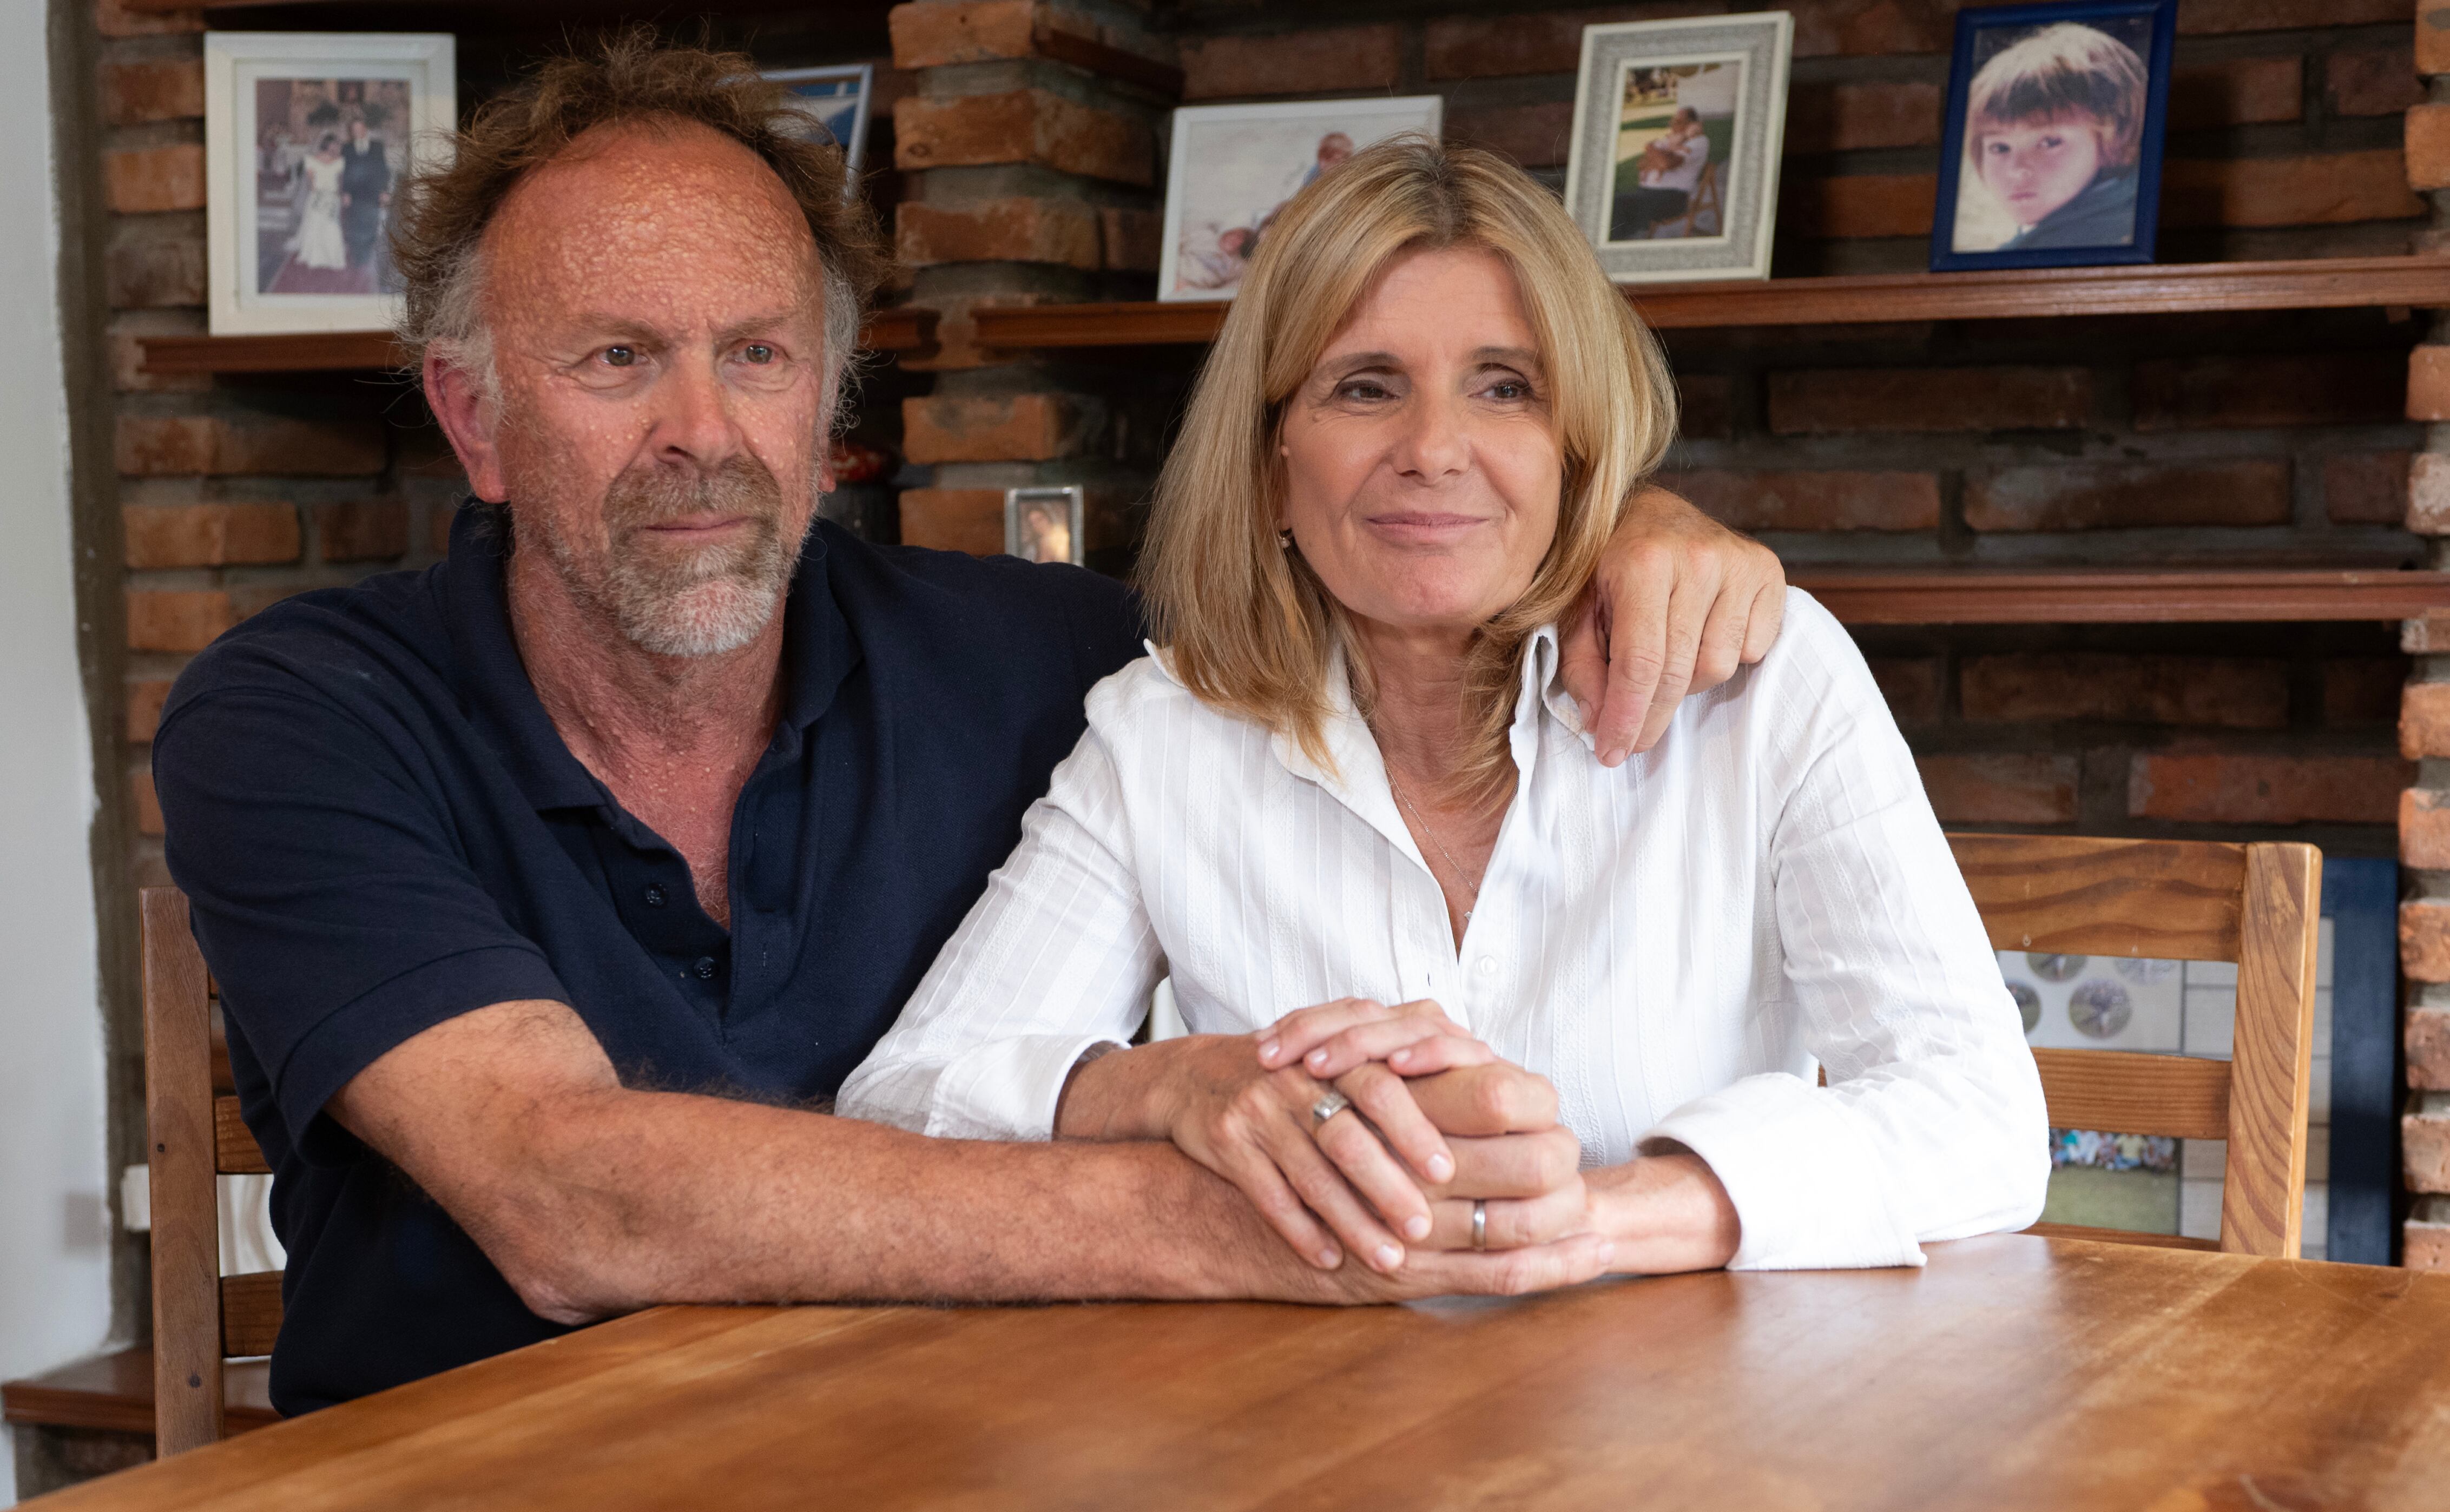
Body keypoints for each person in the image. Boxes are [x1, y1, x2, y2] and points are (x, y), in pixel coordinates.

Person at [153, 39, 1789, 1416]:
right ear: (475, 417)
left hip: (968, 1497)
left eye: (757, 356)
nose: (699, 434)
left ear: (828, 409)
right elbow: (571, 1199)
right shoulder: (301, 715)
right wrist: (1267, 1219)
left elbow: (1377, 578)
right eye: (614, 360)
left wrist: (1619, 528)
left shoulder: (1061, 663)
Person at [841, 140, 2047, 1278]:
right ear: (1270, 464)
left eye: (1504, 387)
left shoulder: (1759, 680)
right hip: (1310, 1428)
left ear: (1577, 446)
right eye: (1364, 387)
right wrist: (1168, 1084)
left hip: (1691, 1439)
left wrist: (1600, 1217)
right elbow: (905, 1098)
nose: (1432, 447)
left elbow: (1979, 1117)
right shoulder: (1164, 731)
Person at [1958, 22, 2148, 253]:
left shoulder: (2094, 242)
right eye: (2000, 148)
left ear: (2113, 139)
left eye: (2049, 143)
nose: (2017, 170)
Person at [1610, 107, 1708, 240]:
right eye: (1672, 121)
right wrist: (1659, 155)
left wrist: (1652, 148)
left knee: (1617, 204)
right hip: (1649, 193)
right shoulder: (1672, 140)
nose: (1673, 125)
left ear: (1692, 125)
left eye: (1678, 122)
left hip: (1672, 198)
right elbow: (1642, 164)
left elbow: (1666, 164)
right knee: (1615, 204)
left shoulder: (1699, 142)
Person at [340, 110, 394, 276]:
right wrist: (345, 193)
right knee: (354, 226)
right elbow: (345, 172)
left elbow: (384, 170)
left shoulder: (377, 146)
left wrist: (385, 191)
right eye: (354, 130)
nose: (357, 132)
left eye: (360, 129)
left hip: (373, 193)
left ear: (365, 129)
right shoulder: (347, 148)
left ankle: (366, 256)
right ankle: (358, 258)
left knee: (371, 225)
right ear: (352, 132)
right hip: (355, 195)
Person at [287, 131, 349, 273]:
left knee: (332, 228)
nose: (337, 148)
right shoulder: (311, 160)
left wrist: (337, 198)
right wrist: (321, 195)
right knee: (315, 226)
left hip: (333, 199)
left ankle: (332, 257)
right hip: (316, 198)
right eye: (335, 145)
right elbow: (310, 184)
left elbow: (340, 183)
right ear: (327, 145)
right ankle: (314, 257)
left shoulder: (340, 161)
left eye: (338, 146)